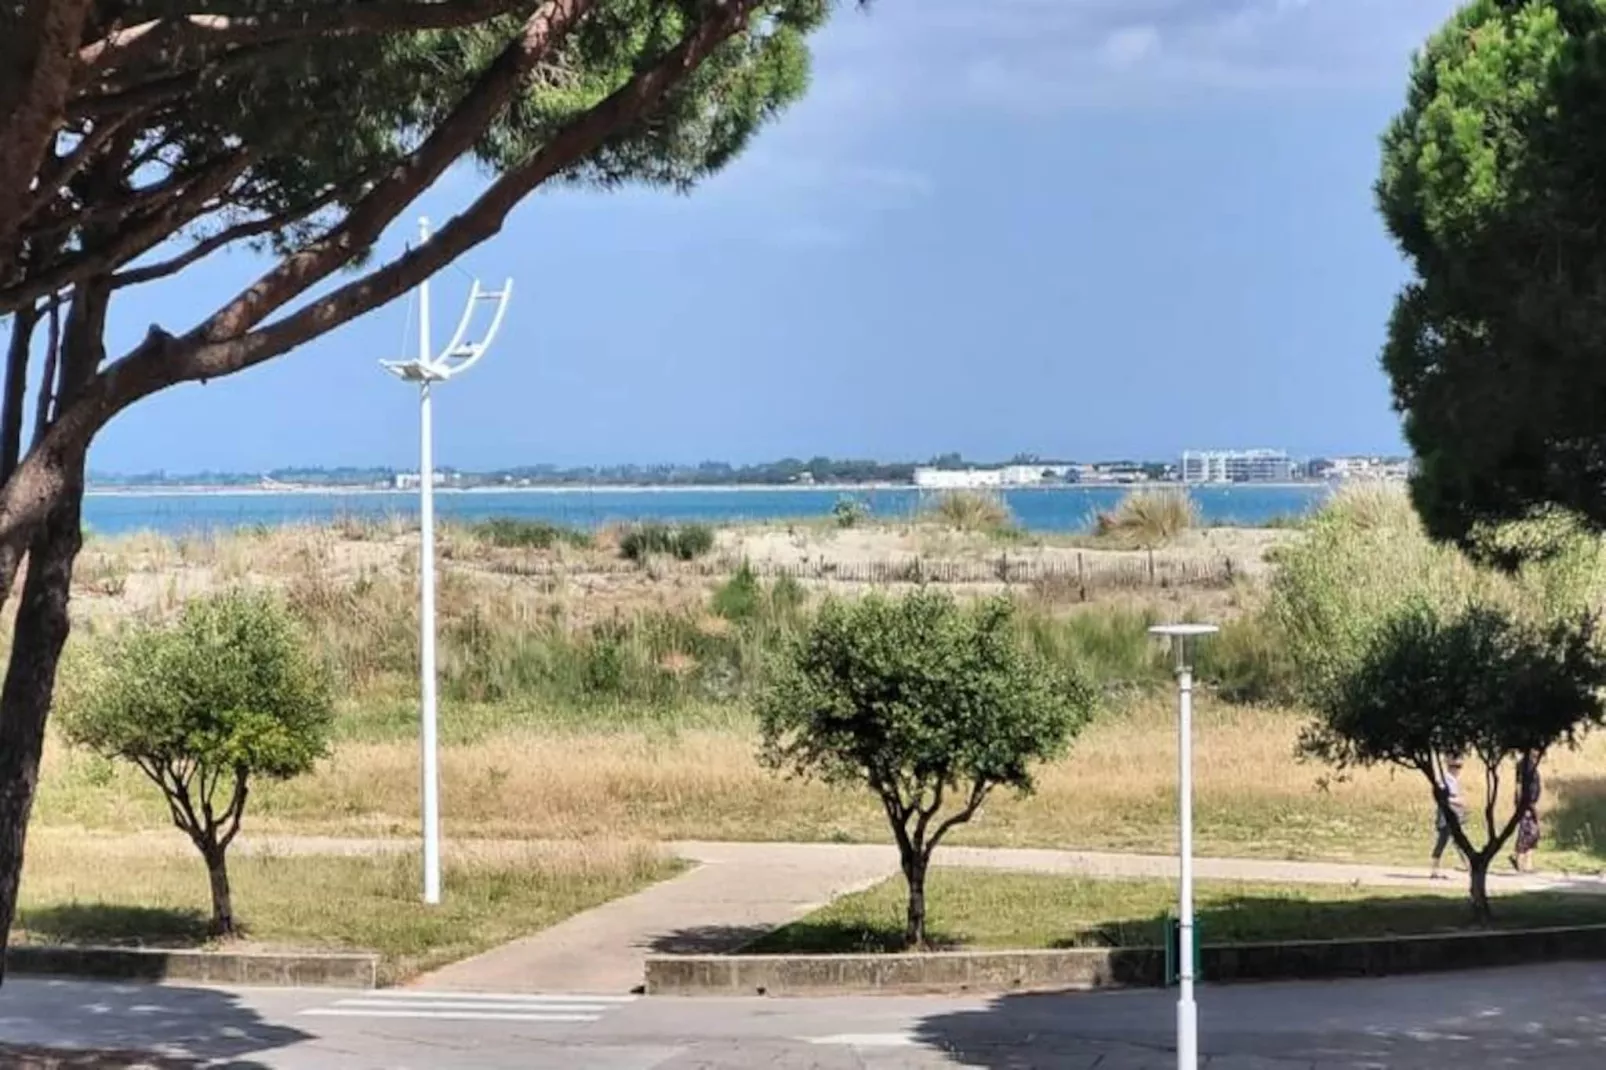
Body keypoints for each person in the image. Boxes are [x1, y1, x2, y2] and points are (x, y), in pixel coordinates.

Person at [1430, 756, 1468, 880]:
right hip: (1446, 814)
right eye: (1455, 767)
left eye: (1459, 767)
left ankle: (1467, 864)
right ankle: (1435, 869)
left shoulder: (1453, 780)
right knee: (1443, 840)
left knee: (1458, 839)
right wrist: (1457, 801)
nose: (1458, 770)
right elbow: (1442, 798)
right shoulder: (1445, 779)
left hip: (1454, 813)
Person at [1512, 750, 1543, 874]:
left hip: (1531, 803)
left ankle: (1528, 863)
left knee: (1534, 833)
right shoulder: (1525, 765)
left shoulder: (1532, 764)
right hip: (1526, 804)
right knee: (1527, 831)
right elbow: (1519, 784)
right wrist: (1523, 803)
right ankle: (1519, 859)